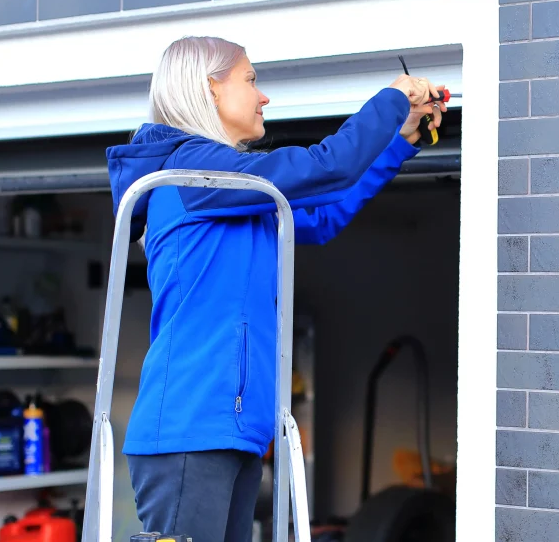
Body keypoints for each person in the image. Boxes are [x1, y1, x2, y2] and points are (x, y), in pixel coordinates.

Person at [105, 36, 447, 542]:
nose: (263, 97)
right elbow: (325, 165)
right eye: (251, 80)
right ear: (210, 89)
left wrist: (399, 139)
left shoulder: (236, 195)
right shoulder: (193, 175)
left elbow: (325, 212)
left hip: (233, 428)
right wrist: (394, 97)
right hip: (190, 424)